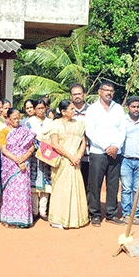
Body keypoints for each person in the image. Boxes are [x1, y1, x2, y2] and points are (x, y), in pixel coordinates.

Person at [85, 81, 126, 226]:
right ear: (99, 92)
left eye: (111, 91)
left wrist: (116, 146)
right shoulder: (92, 110)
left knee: (113, 184)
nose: (109, 93)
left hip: (115, 153)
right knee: (95, 184)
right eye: (106, 90)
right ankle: (95, 214)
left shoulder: (119, 109)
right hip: (98, 152)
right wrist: (106, 146)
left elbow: (123, 130)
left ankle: (111, 214)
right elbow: (90, 131)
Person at [48, 100, 89, 229]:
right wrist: (70, 156)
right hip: (62, 161)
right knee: (60, 189)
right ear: (63, 112)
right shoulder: (56, 124)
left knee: (75, 189)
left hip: (75, 161)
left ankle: (75, 219)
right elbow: (55, 144)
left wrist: (78, 156)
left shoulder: (79, 124)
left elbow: (83, 141)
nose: (74, 111)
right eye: (71, 109)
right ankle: (58, 219)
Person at [0, 107, 36, 228]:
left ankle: (23, 219)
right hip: (10, 166)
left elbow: (32, 146)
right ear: (8, 118)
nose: (17, 121)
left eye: (19, 118)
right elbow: (4, 149)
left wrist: (24, 157)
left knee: (23, 191)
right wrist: (17, 160)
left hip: (24, 164)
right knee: (10, 192)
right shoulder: (3, 132)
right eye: (14, 118)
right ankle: (8, 219)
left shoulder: (24, 131)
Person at [120, 96, 139, 221]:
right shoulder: (123, 121)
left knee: (138, 188)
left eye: (138, 107)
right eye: (133, 107)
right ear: (128, 108)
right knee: (126, 188)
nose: (136, 109)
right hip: (125, 159)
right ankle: (126, 213)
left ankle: (136, 214)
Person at [26, 98, 53, 221]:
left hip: (47, 156)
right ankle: (34, 210)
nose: (41, 110)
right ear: (34, 109)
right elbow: (27, 137)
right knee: (33, 183)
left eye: (43, 108)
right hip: (34, 156)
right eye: (38, 108)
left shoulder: (51, 121)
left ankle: (43, 211)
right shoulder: (29, 122)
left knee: (46, 184)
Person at [69, 83, 89, 187]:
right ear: (71, 96)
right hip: (71, 155)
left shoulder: (91, 110)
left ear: (84, 95)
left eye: (79, 94)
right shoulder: (67, 111)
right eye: (74, 94)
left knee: (87, 183)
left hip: (88, 153)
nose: (77, 96)